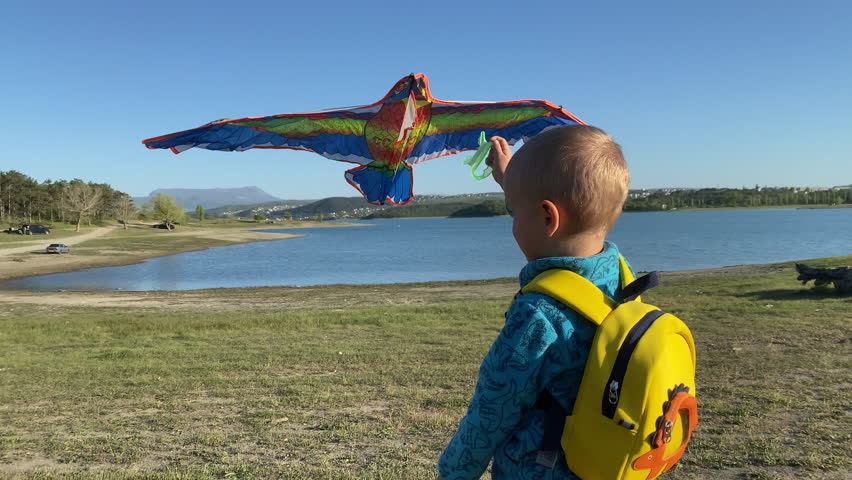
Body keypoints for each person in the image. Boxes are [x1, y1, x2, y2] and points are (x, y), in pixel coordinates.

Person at [438, 125, 631, 480]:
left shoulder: (539, 315)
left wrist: (453, 472)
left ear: (547, 217)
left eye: (513, 212)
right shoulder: (619, 275)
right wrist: (511, 179)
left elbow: (492, 408)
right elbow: (558, 196)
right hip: (598, 460)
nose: (513, 222)